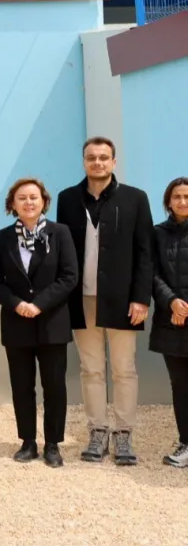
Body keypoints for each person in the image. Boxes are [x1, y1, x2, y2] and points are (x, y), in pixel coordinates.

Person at [56, 136, 154, 466]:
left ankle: (123, 433)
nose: (97, 162)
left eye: (103, 157)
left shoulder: (135, 198)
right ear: (84, 161)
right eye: (91, 157)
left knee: (124, 369)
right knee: (91, 369)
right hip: (81, 298)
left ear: (113, 162)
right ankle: (97, 431)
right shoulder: (67, 199)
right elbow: (64, 249)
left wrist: (141, 298)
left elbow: (145, 252)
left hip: (123, 300)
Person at [0, 178, 77, 468]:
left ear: (43, 201)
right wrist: (17, 304)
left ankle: (53, 444)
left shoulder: (60, 233)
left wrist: (39, 304)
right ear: (12, 204)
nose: (28, 202)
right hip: (17, 323)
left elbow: (69, 276)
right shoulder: (2, 238)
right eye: (22, 198)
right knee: (22, 386)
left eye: (33, 197)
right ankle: (28, 442)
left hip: (52, 322)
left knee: (54, 386)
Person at [151, 177, 188, 468]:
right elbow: (151, 274)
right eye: (177, 197)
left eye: (187, 197)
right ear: (168, 201)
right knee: (181, 385)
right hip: (171, 321)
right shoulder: (157, 234)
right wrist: (172, 301)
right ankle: (185, 442)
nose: (182, 202)